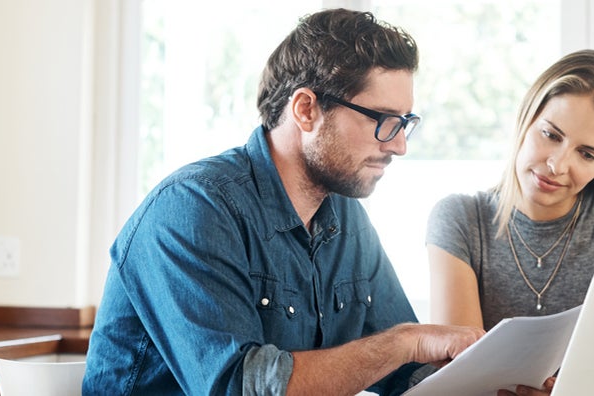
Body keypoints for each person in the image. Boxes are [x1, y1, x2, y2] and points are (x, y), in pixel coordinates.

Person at [83, 8, 483, 396]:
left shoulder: (346, 219)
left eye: (405, 123)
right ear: (306, 110)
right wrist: (405, 342)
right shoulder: (192, 208)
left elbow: (404, 371)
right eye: (381, 119)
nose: (398, 145)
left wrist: (490, 383)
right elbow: (238, 388)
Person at [425, 49, 594, 395]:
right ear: (527, 118)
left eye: (587, 153)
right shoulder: (460, 221)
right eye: (550, 134)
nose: (557, 165)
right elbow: (459, 383)